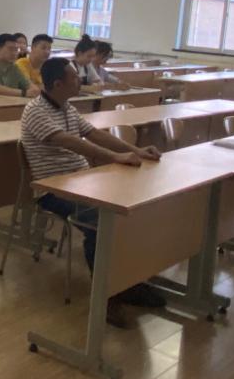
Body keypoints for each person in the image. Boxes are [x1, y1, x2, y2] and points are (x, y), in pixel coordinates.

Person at [21, 57, 165, 327]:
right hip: (53, 189)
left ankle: (129, 283)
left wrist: (135, 150)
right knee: (100, 222)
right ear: (57, 84)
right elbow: (73, 143)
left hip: (82, 182)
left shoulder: (66, 106)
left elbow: (94, 134)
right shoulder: (36, 111)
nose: (80, 80)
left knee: (132, 208)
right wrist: (115, 157)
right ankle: (107, 296)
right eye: (74, 78)